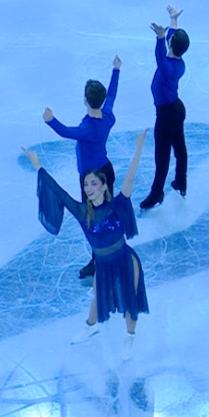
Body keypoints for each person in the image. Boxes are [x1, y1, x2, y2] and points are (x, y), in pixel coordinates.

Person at [22, 130, 150, 361]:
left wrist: (139, 147)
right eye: (86, 184)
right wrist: (38, 167)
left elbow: (130, 177)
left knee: (130, 298)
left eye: (93, 183)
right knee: (98, 299)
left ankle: (129, 337)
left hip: (125, 259)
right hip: (103, 264)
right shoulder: (83, 212)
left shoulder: (117, 205)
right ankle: (91, 326)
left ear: (103, 186)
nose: (88, 188)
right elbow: (60, 194)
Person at [41, 56, 122, 279]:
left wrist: (50, 120)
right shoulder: (108, 116)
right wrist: (116, 70)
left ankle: (99, 260)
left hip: (92, 180)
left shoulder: (88, 129)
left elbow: (67, 132)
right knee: (104, 214)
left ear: (85, 99)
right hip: (106, 171)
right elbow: (112, 96)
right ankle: (107, 252)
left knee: (93, 219)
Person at [141, 5, 190, 210]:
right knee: (179, 147)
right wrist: (173, 20)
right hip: (176, 109)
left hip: (167, 114)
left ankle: (156, 194)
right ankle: (181, 182)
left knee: (162, 156)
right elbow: (172, 40)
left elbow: (160, 55)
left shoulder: (167, 68)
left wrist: (160, 38)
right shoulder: (179, 62)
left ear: (170, 43)